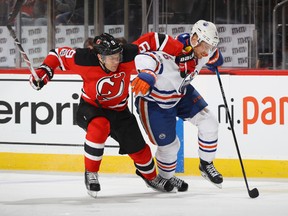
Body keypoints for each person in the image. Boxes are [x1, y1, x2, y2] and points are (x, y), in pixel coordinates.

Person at [29, 33, 179, 198]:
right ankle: (91, 173)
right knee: (100, 126)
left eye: (118, 56)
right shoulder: (84, 59)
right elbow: (57, 54)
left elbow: (153, 39)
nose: (117, 61)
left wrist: (181, 51)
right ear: (100, 57)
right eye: (112, 58)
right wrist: (44, 70)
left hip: (120, 111)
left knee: (141, 151)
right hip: (92, 108)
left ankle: (151, 178)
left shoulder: (128, 54)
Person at [131, 20, 224, 189]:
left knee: (209, 123)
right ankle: (164, 177)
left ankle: (206, 164)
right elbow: (144, 57)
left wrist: (215, 58)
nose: (206, 51)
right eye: (205, 46)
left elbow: (214, 56)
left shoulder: (203, 51)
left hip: (181, 93)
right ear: (194, 39)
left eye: (210, 47)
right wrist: (147, 73)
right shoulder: (172, 51)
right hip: (155, 102)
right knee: (171, 146)